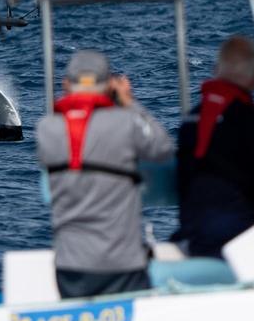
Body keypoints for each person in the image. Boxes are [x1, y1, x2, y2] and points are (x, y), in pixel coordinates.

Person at [37, 49, 173, 299]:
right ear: (110, 85)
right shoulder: (126, 123)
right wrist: (128, 102)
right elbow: (162, 148)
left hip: (69, 269)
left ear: (66, 84)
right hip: (122, 267)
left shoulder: (46, 129)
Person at [173, 36, 254, 258]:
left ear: (216, 70)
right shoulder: (246, 116)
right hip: (240, 234)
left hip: (194, 231)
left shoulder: (190, 119)